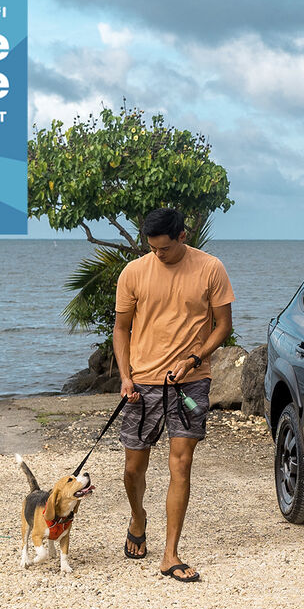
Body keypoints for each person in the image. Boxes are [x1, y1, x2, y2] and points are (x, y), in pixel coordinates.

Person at [113, 207, 234, 583]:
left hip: (191, 382)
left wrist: (195, 357)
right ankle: (138, 516)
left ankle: (170, 554)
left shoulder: (210, 268)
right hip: (142, 382)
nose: (157, 255)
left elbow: (223, 326)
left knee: (180, 464)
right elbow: (121, 329)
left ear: (182, 236)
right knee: (134, 469)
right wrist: (125, 377)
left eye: (163, 248)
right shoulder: (134, 272)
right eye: (151, 248)